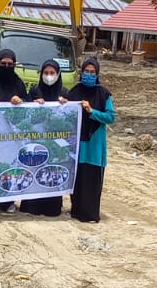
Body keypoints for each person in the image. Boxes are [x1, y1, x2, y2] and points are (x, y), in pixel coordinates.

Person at [67, 57, 115, 222]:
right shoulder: (74, 92)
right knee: (78, 180)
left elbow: (110, 117)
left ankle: (90, 214)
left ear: (97, 74)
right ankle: (76, 211)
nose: (89, 75)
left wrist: (92, 111)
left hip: (94, 147)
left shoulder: (104, 94)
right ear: (81, 73)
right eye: (86, 71)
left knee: (92, 181)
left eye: (92, 72)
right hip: (78, 145)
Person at [22, 60, 69, 217]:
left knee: (52, 170)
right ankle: (32, 205)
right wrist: (33, 105)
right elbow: (25, 115)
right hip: (37, 140)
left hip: (55, 141)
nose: (49, 76)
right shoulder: (35, 91)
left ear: (58, 74)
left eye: (52, 73)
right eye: (46, 73)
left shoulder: (64, 93)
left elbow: (70, 118)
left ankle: (52, 206)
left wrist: (66, 105)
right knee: (35, 167)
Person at [0, 49, 26, 212]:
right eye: (3, 64)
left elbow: (27, 107)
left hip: (11, 135)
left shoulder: (19, 84)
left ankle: (8, 201)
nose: (6, 67)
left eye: (10, 64)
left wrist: (20, 101)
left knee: (9, 164)